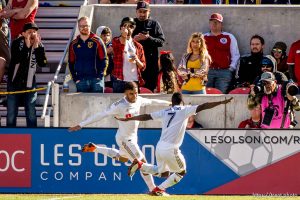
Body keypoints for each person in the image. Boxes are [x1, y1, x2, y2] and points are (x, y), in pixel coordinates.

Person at [116, 92, 233, 196]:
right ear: (181, 102)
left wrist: (128, 119)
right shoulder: (185, 109)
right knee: (181, 172)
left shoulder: (165, 111)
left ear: (171, 103)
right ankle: (159, 189)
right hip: (171, 148)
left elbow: (146, 116)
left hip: (160, 146)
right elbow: (204, 106)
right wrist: (221, 102)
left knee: (163, 173)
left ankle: (141, 165)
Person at [68, 82, 171, 193]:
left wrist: (169, 103)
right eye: (131, 94)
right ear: (125, 93)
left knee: (123, 158)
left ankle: (94, 148)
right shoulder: (119, 105)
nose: (135, 96)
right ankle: (153, 189)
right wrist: (81, 124)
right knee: (142, 162)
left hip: (132, 138)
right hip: (124, 139)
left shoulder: (139, 100)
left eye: (136, 93)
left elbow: (152, 101)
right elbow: (101, 114)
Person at [7, 22, 47, 127]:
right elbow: (17, 60)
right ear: (23, 34)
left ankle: (33, 136)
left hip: (30, 84)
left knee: (31, 113)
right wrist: (27, 46)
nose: (33, 34)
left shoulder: (39, 45)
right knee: (11, 113)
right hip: (14, 83)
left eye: (34, 32)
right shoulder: (16, 43)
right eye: (30, 32)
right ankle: (9, 137)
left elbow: (43, 63)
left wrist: (38, 48)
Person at [68, 16, 108, 93]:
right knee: (82, 105)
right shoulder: (73, 44)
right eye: (82, 26)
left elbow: (104, 59)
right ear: (78, 27)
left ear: (90, 26)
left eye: (87, 25)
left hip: (96, 80)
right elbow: (71, 62)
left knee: (99, 104)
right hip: (81, 80)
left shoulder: (97, 41)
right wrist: (75, 79)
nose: (85, 28)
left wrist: (100, 76)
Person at [133, 0, 165, 92]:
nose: (142, 14)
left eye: (145, 12)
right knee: (135, 90)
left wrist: (149, 38)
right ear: (136, 12)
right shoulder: (132, 24)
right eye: (140, 11)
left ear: (149, 12)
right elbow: (123, 40)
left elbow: (161, 41)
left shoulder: (154, 24)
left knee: (150, 89)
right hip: (135, 64)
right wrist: (134, 39)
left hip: (151, 64)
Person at [204, 13, 240, 94]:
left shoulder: (229, 37)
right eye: (212, 22)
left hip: (224, 72)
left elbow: (235, 55)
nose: (214, 24)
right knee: (205, 94)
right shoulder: (203, 37)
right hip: (207, 71)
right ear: (209, 23)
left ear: (221, 24)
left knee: (220, 95)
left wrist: (231, 68)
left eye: (217, 22)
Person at [111, 17, 146, 93]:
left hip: (134, 80)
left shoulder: (138, 46)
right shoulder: (116, 41)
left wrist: (137, 60)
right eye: (125, 26)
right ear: (121, 28)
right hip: (119, 80)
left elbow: (143, 66)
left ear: (134, 28)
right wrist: (124, 35)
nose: (128, 28)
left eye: (131, 26)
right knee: (118, 103)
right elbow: (121, 44)